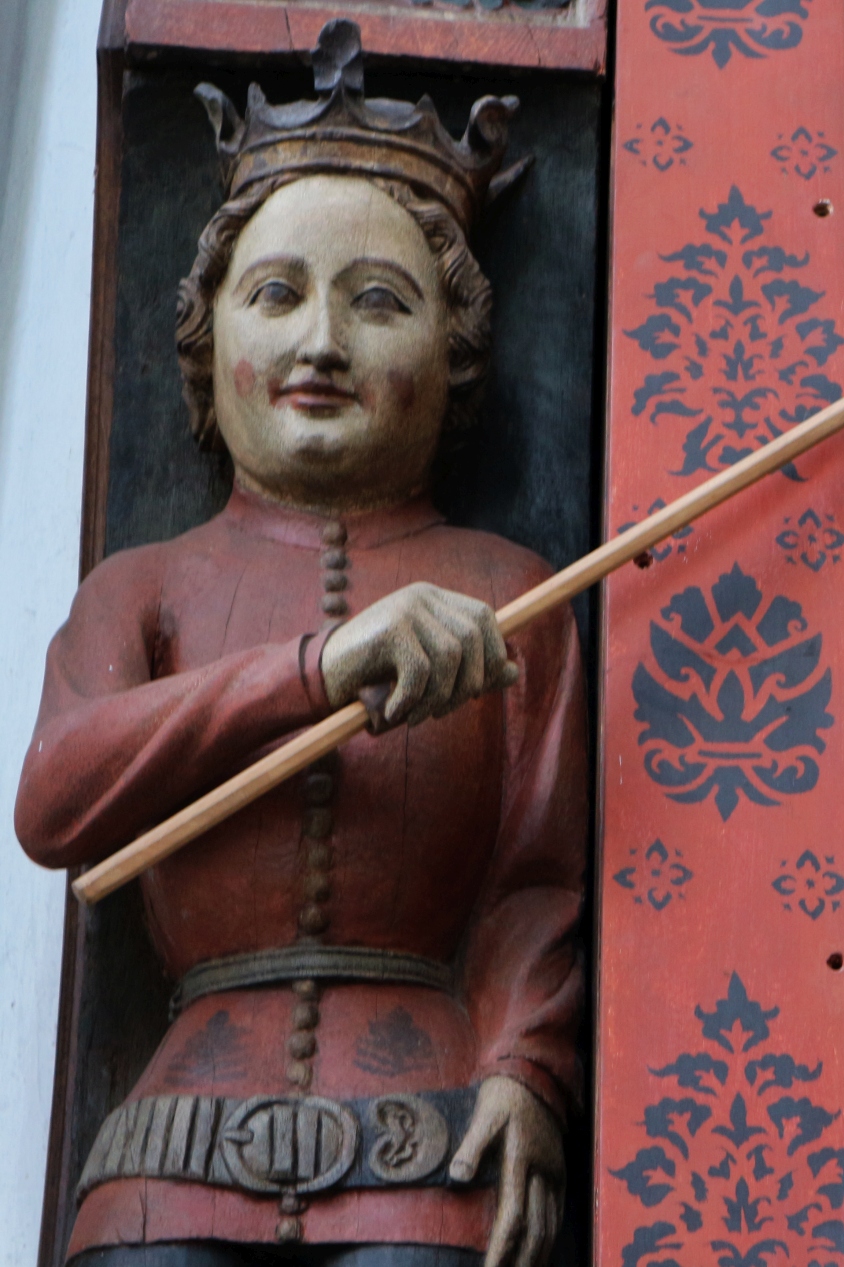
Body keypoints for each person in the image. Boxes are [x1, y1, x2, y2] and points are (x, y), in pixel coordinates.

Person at [13, 22, 585, 1267]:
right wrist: (315, 670)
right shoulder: (143, 589)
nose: (321, 343)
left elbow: (534, 878)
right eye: (275, 295)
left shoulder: (512, 593)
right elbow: (55, 803)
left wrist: (526, 1067)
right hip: (173, 1146)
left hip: (426, 1144)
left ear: (454, 349)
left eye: (378, 303)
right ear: (209, 335)